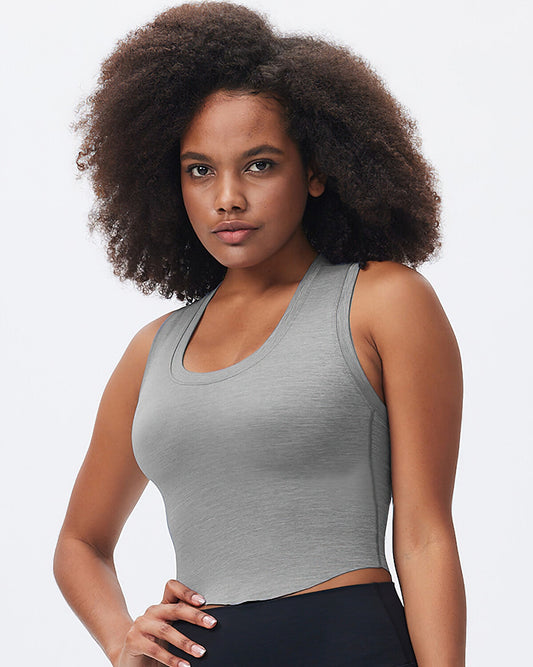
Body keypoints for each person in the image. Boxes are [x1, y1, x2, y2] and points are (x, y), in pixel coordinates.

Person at [53, 2, 466, 666]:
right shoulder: (152, 350)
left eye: (260, 164)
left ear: (317, 169)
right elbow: (80, 542)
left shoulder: (381, 301)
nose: (227, 198)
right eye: (199, 169)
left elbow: (424, 537)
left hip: (347, 647)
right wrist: (120, 637)